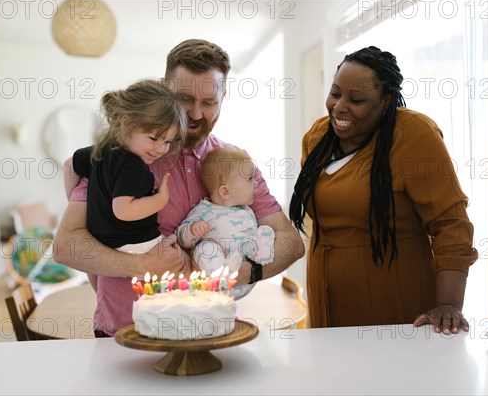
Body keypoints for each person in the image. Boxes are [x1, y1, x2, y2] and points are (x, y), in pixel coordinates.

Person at [53, 39, 305, 337]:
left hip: (209, 331)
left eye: (209, 103)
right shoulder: (119, 156)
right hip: (125, 333)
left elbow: (291, 242)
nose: (196, 114)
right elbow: (66, 245)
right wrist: (140, 264)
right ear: (165, 89)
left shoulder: (235, 163)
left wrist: (247, 272)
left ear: (223, 97)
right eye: (185, 99)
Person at [289, 46, 478, 334]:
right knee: (334, 377)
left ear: (387, 101)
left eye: (357, 99)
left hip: (393, 302)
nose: (339, 107)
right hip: (326, 298)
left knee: (391, 377)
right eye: (336, 93)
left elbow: (451, 224)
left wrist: (449, 304)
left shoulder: (413, 135)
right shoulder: (317, 138)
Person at [63, 79, 186, 292]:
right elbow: (124, 210)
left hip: (102, 242)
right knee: (183, 265)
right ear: (127, 123)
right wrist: (160, 199)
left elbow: (68, 166)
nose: (160, 148)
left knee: (100, 286)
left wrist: (82, 203)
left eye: (167, 142)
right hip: (137, 244)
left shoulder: (98, 152)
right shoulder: (134, 167)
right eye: (154, 138)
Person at [176, 148, 275, 299]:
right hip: (216, 284)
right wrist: (192, 230)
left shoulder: (246, 210)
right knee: (205, 248)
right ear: (225, 192)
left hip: (243, 277)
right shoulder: (204, 210)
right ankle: (220, 272)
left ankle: (262, 254)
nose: (256, 183)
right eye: (249, 179)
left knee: (258, 235)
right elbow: (181, 237)